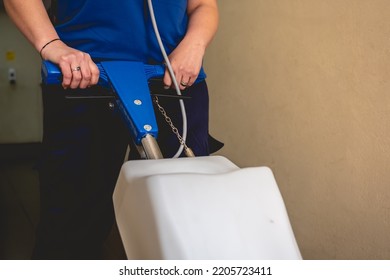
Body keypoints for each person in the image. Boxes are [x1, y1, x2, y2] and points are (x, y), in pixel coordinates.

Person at [4, 0, 220, 259]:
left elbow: (203, 5)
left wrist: (194, 45)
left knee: (184, 216)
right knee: (73, 218)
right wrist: (51, 45)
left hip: (174, 80)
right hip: (86, 77)